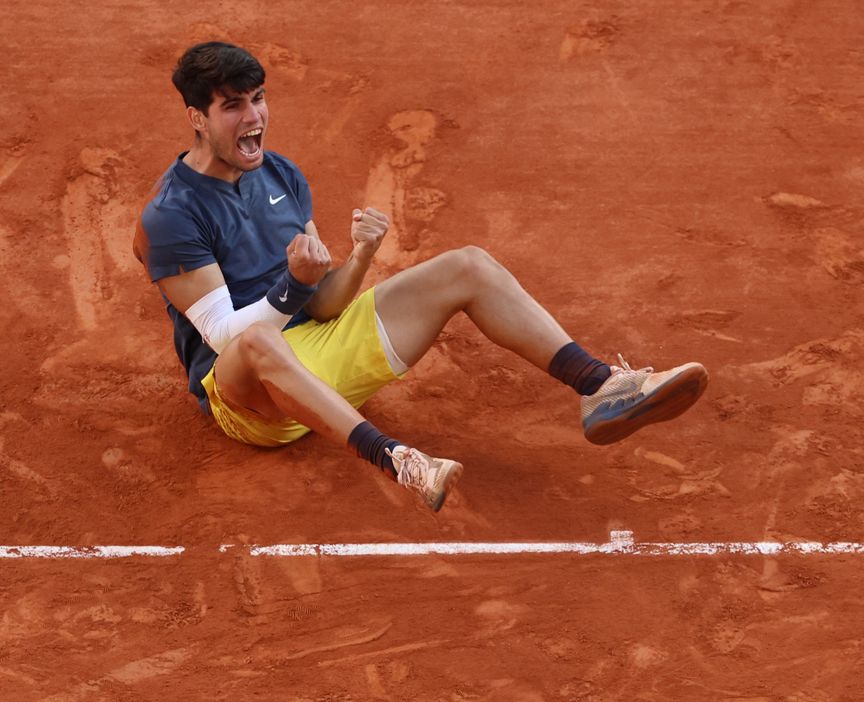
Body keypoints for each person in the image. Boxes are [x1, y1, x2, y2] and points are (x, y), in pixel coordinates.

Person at [133, 42, 708, 512]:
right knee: (259, 338)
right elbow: (228, 339)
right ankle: (399, 460)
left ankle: (600, 386)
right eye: (233, 105)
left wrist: (358, 257)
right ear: (197, 119)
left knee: (468, 265)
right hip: (252, 402)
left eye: (259, 99)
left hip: (315, 357)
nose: (254, 117)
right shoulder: (171, 216)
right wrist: (291, 285)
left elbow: (326, 307)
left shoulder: (280, 173)